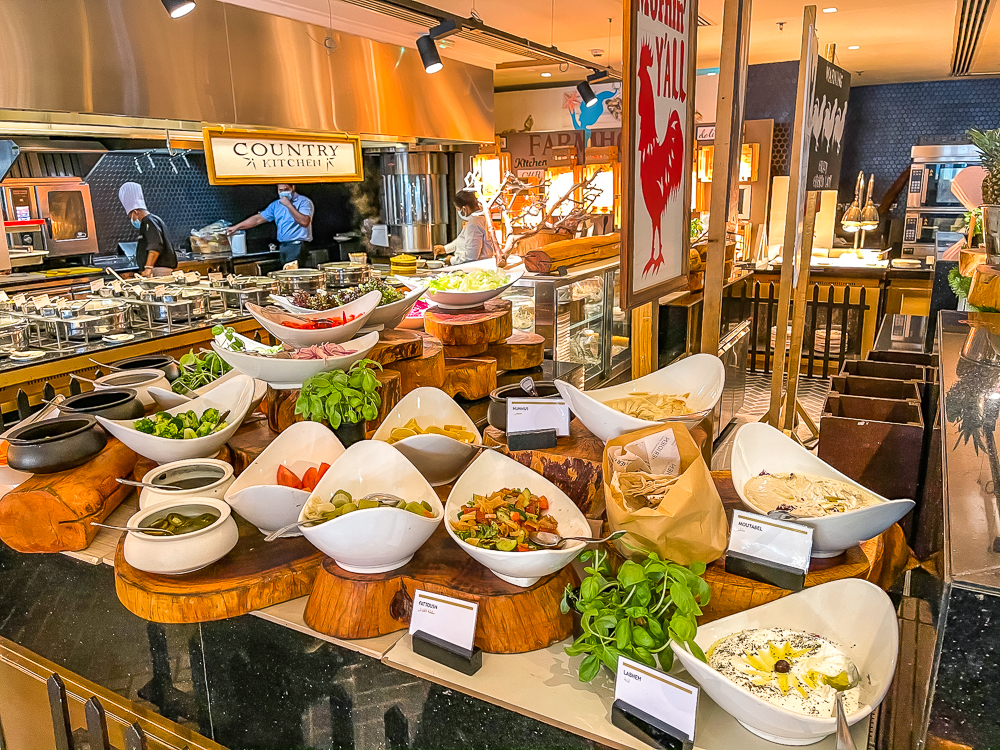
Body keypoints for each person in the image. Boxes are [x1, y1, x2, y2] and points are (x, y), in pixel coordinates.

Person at [226, 184, 313, 266]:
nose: (283, 193)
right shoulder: (276, 205)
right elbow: (258, 219)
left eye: (286, 189)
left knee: (295, 275)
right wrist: (236, 227)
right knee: (286, 274)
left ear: (293, 188)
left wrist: (288, 205)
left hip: (298, 245)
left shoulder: (304, 202)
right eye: (280, 190)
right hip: (283, 245)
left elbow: (304, 222)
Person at [118, 182, 177, 278]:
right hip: (157, 269)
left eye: (130, 216)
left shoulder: (149, 221)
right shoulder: (153, 220)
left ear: (135, 212)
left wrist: (148, 268)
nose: (131, 219)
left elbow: (155, 246)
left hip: (158, 269)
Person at [434, 190, 501, 265]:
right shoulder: (480, 219)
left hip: (472, 268)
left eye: (458, 209)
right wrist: (445, 249)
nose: (458, 212)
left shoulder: (474, 224)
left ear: (464, 209)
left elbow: (471, 256)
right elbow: (463, 240)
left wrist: (451, 260)